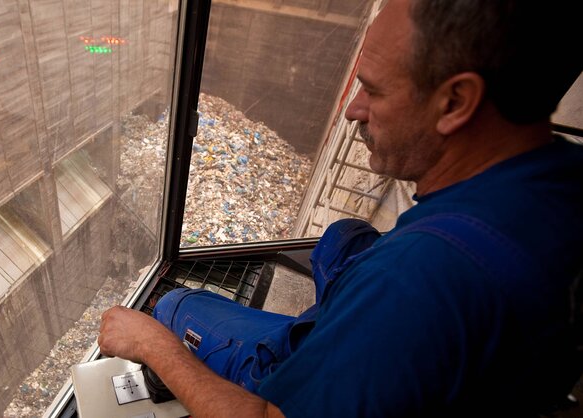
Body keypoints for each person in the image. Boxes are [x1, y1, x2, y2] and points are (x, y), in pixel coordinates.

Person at [98, 0, 583, 416]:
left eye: (372, 89)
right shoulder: (561, 172)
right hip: (457, 358)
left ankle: (262, 346)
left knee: (175, 305)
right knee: (340, 237)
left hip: (346, 358)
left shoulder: (416, 281)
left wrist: (150, 344)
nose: (353, 108)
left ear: (455, 101)